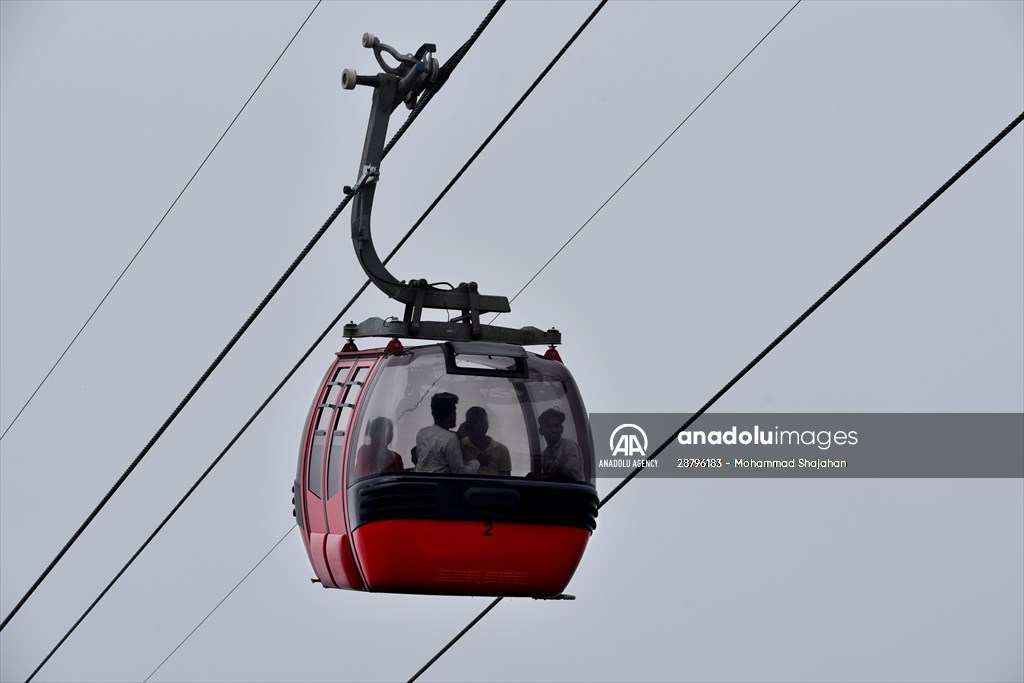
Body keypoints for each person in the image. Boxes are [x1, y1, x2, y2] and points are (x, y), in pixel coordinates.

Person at [415, 392, 480, 474]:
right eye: (455, 411)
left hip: (420, 483)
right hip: (440, 485)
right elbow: (460, 474)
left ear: (433, 413)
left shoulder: (422, 433)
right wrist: (477, 461)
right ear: (452, 414)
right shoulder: (450, 439)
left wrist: (457, 436)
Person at [460, 406, 512, 476]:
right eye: (475, 423)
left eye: (482, 423)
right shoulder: (460, 445)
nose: (479, 427)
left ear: (487, 425)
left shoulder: (502, 450)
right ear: (467, 425)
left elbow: (506, 479)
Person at [537, 407, 584, 481]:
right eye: (549, 426)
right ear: (541, 430)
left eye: (556, 426)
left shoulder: (568, 446)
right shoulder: (544, 454)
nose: (553, 430)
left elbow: (571, 477)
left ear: (562, 429)